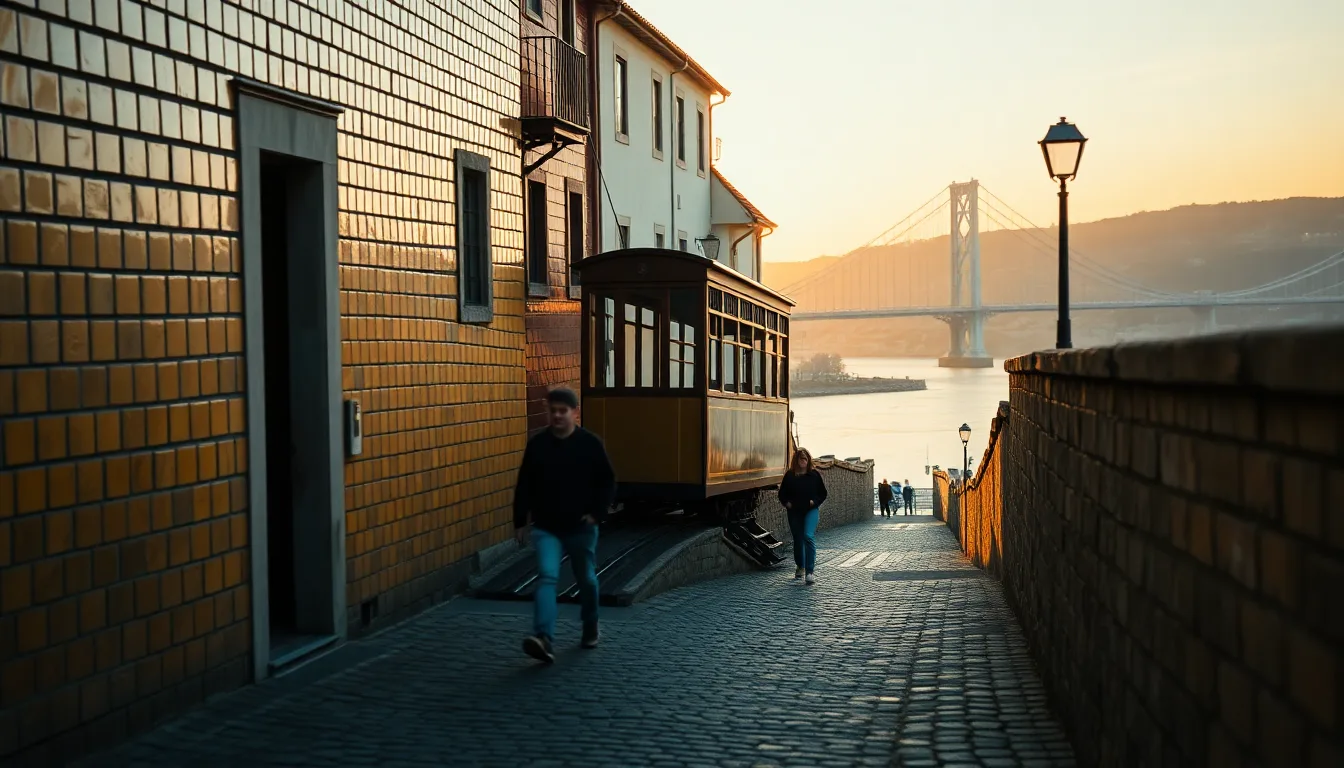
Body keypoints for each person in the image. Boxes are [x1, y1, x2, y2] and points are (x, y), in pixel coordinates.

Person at [513, 387, 616, 664]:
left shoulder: (590, 444)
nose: (557, 415)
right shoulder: (538, 445)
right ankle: (544, 637)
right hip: (546, 526)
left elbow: (606, 481)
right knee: (547, 577)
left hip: (581, 526)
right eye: (553, 410)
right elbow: (525, 484)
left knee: (586, 579)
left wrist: (596, 514)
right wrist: (520, 521)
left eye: (562, 411)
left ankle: (590, 624)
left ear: (574, 413)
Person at [778, 448, 827, 585]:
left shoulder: (814, 475)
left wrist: (814, 502)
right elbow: (782, 494)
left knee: (808, 536)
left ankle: (810, 571)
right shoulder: (790, 476)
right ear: (796, 460)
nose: (803, 461)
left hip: (811, 510)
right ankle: (800, 566)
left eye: (805, 459)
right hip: (794, 512)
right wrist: (787, 503)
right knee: (798, 539)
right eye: (801, 459)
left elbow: (823, 493)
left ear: (808, 460)